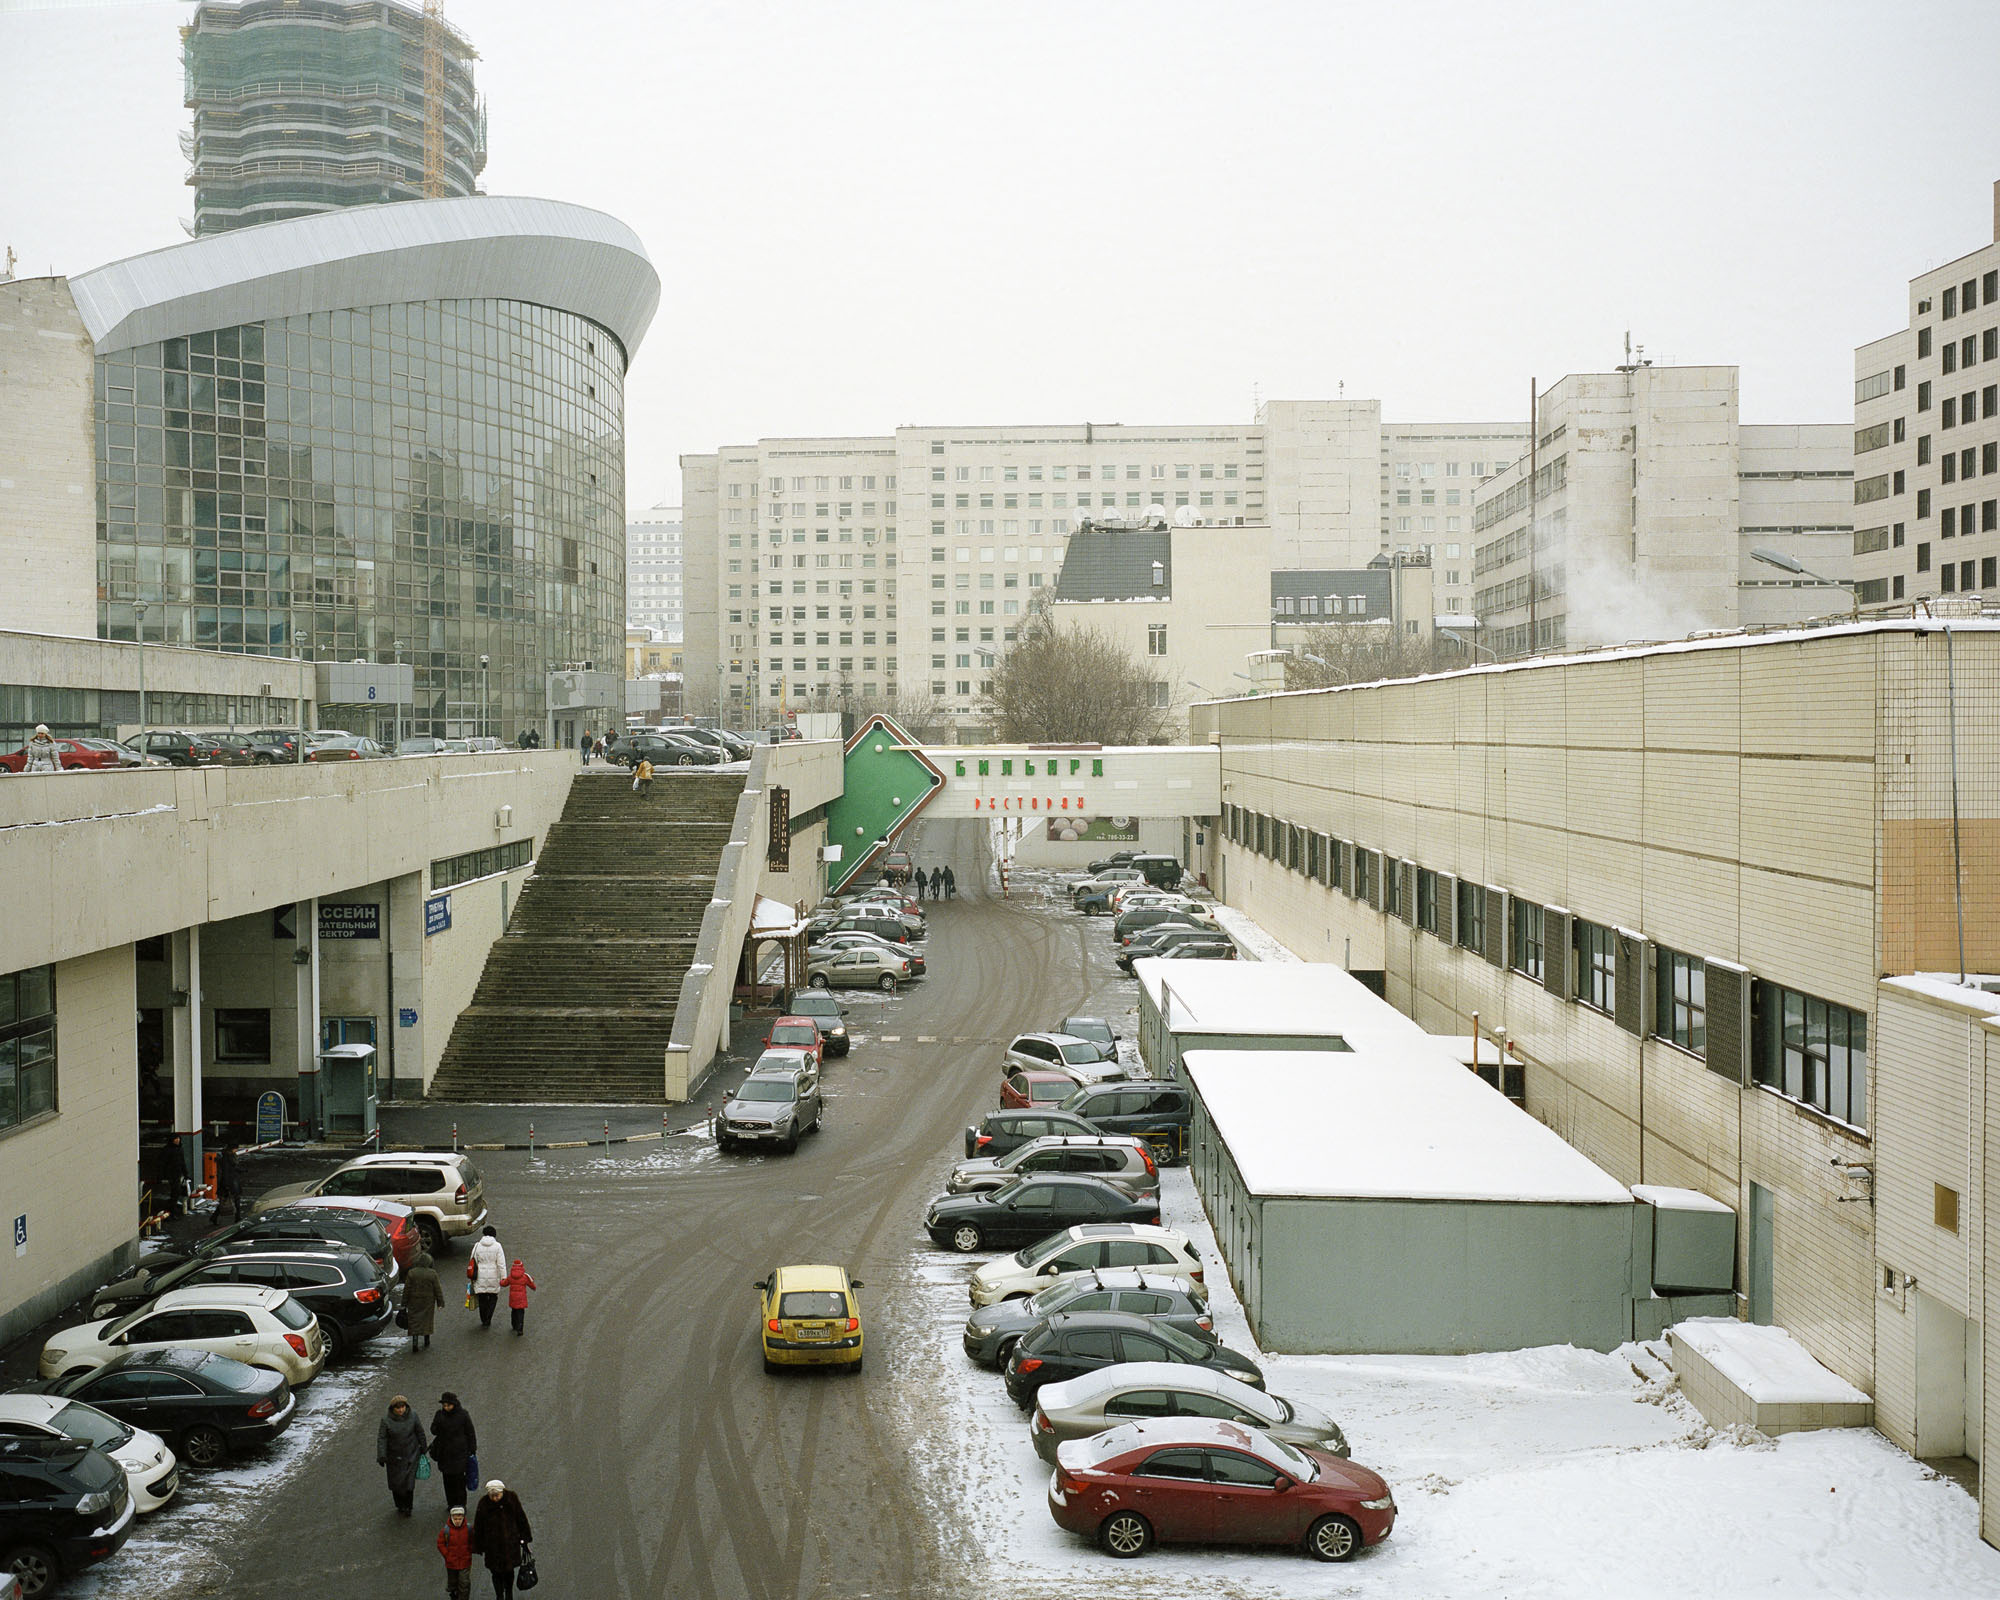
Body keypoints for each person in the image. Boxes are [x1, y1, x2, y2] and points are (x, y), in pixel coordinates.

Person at [471, 1479, 532, 1600]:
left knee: (509, 1572)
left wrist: (525, 1537)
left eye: (497, 1495)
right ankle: (499, 1595)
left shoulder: (511, 1500)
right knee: (496, 1573)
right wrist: (479, 1545)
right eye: (492, 1496)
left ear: (502, 1492)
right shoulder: (483, 1504)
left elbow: (521, 1518)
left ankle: (509, 1593)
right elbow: (478, 1526)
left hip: (510, 1545)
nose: (494, 1498)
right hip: (492, 1547)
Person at [376, 1395, 429, 1517]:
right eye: (397, 1408)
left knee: (409, 1483)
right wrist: (381, 1455)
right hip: (394, 1457)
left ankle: (408, 1506)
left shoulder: (413, 1416)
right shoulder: (385, 1420)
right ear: (393, 1408)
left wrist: (423, 1447)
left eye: (402, 1407)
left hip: (411, 1453)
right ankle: (400, 1505)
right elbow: (382, 1438)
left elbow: (420, 1431)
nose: (400, 1410)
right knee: (396, 1483)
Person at [430, 1392, 478, 1510]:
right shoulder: (439, 1415)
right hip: (445, 1454)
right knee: (447, 1481)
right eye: (444, 1405)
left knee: (459, 1481)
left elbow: (470, 1432)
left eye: (448, 1405)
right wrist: (438, 1427)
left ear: (454, 1404)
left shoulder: (463, 1415)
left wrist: (472, 1449)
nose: (446, 1408)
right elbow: (433, 1430)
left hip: (459, 1454)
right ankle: (451, 1503)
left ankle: (461, 1504)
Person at [403, 1250, 445, 1352]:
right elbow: (437, 1289)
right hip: (428, 1301)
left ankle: (415, 1342)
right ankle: (427, 1340)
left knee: (414, 1320)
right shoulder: (432, 1274)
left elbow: (407, 1289)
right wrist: (440, 1302)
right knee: (427, 1320)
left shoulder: (412, 1273)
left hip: (414, 1300)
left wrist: (404, 1303)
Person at [467, 1226, 506, 1328]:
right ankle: (489, 1317)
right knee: (493, 1297)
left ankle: (484, 1319)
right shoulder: (497, 1246)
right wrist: (503, 1278)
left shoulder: (477, 1246)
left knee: (482, 1298)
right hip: (494, 1276)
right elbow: (501, 1264)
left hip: (480, 1276)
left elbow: (472, 1260)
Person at [437, 1504, 475, 1600]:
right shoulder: (446, 1530)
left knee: (464, 1583)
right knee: (453, 1582)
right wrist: (447, 1555)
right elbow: (440, 1544)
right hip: (451, 1563)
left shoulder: (469, 1529)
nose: (457, 1521)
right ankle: (453, 1593)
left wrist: (470, 1551)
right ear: (452, 1517)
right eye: (456, 1518)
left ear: (463, 1518)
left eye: (459, 1518)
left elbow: (473, 1541)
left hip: (465, 1561)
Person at [501, 1258, 537, 1336]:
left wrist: (501, 1281)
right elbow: (532, 1285)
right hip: (521, 1298)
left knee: (514, 1311)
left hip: (513, 1298)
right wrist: (534, 1287)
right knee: (521, 1312)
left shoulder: (510, 1277)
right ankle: (520, 1328)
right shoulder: (525, 1277)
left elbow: (504, 1283)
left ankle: (514, 1325)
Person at [214, 1142, 243, 1220]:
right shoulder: (227, 1158)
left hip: (231, 1180)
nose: (236, 1150)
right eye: (236, 1148)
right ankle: (238, 1217)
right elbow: (226, 1172)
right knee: (233, 1199)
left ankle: (215, 1216)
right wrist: (226, 1185)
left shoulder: (229, 1156)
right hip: (229, 1182)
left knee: (227, 1200)